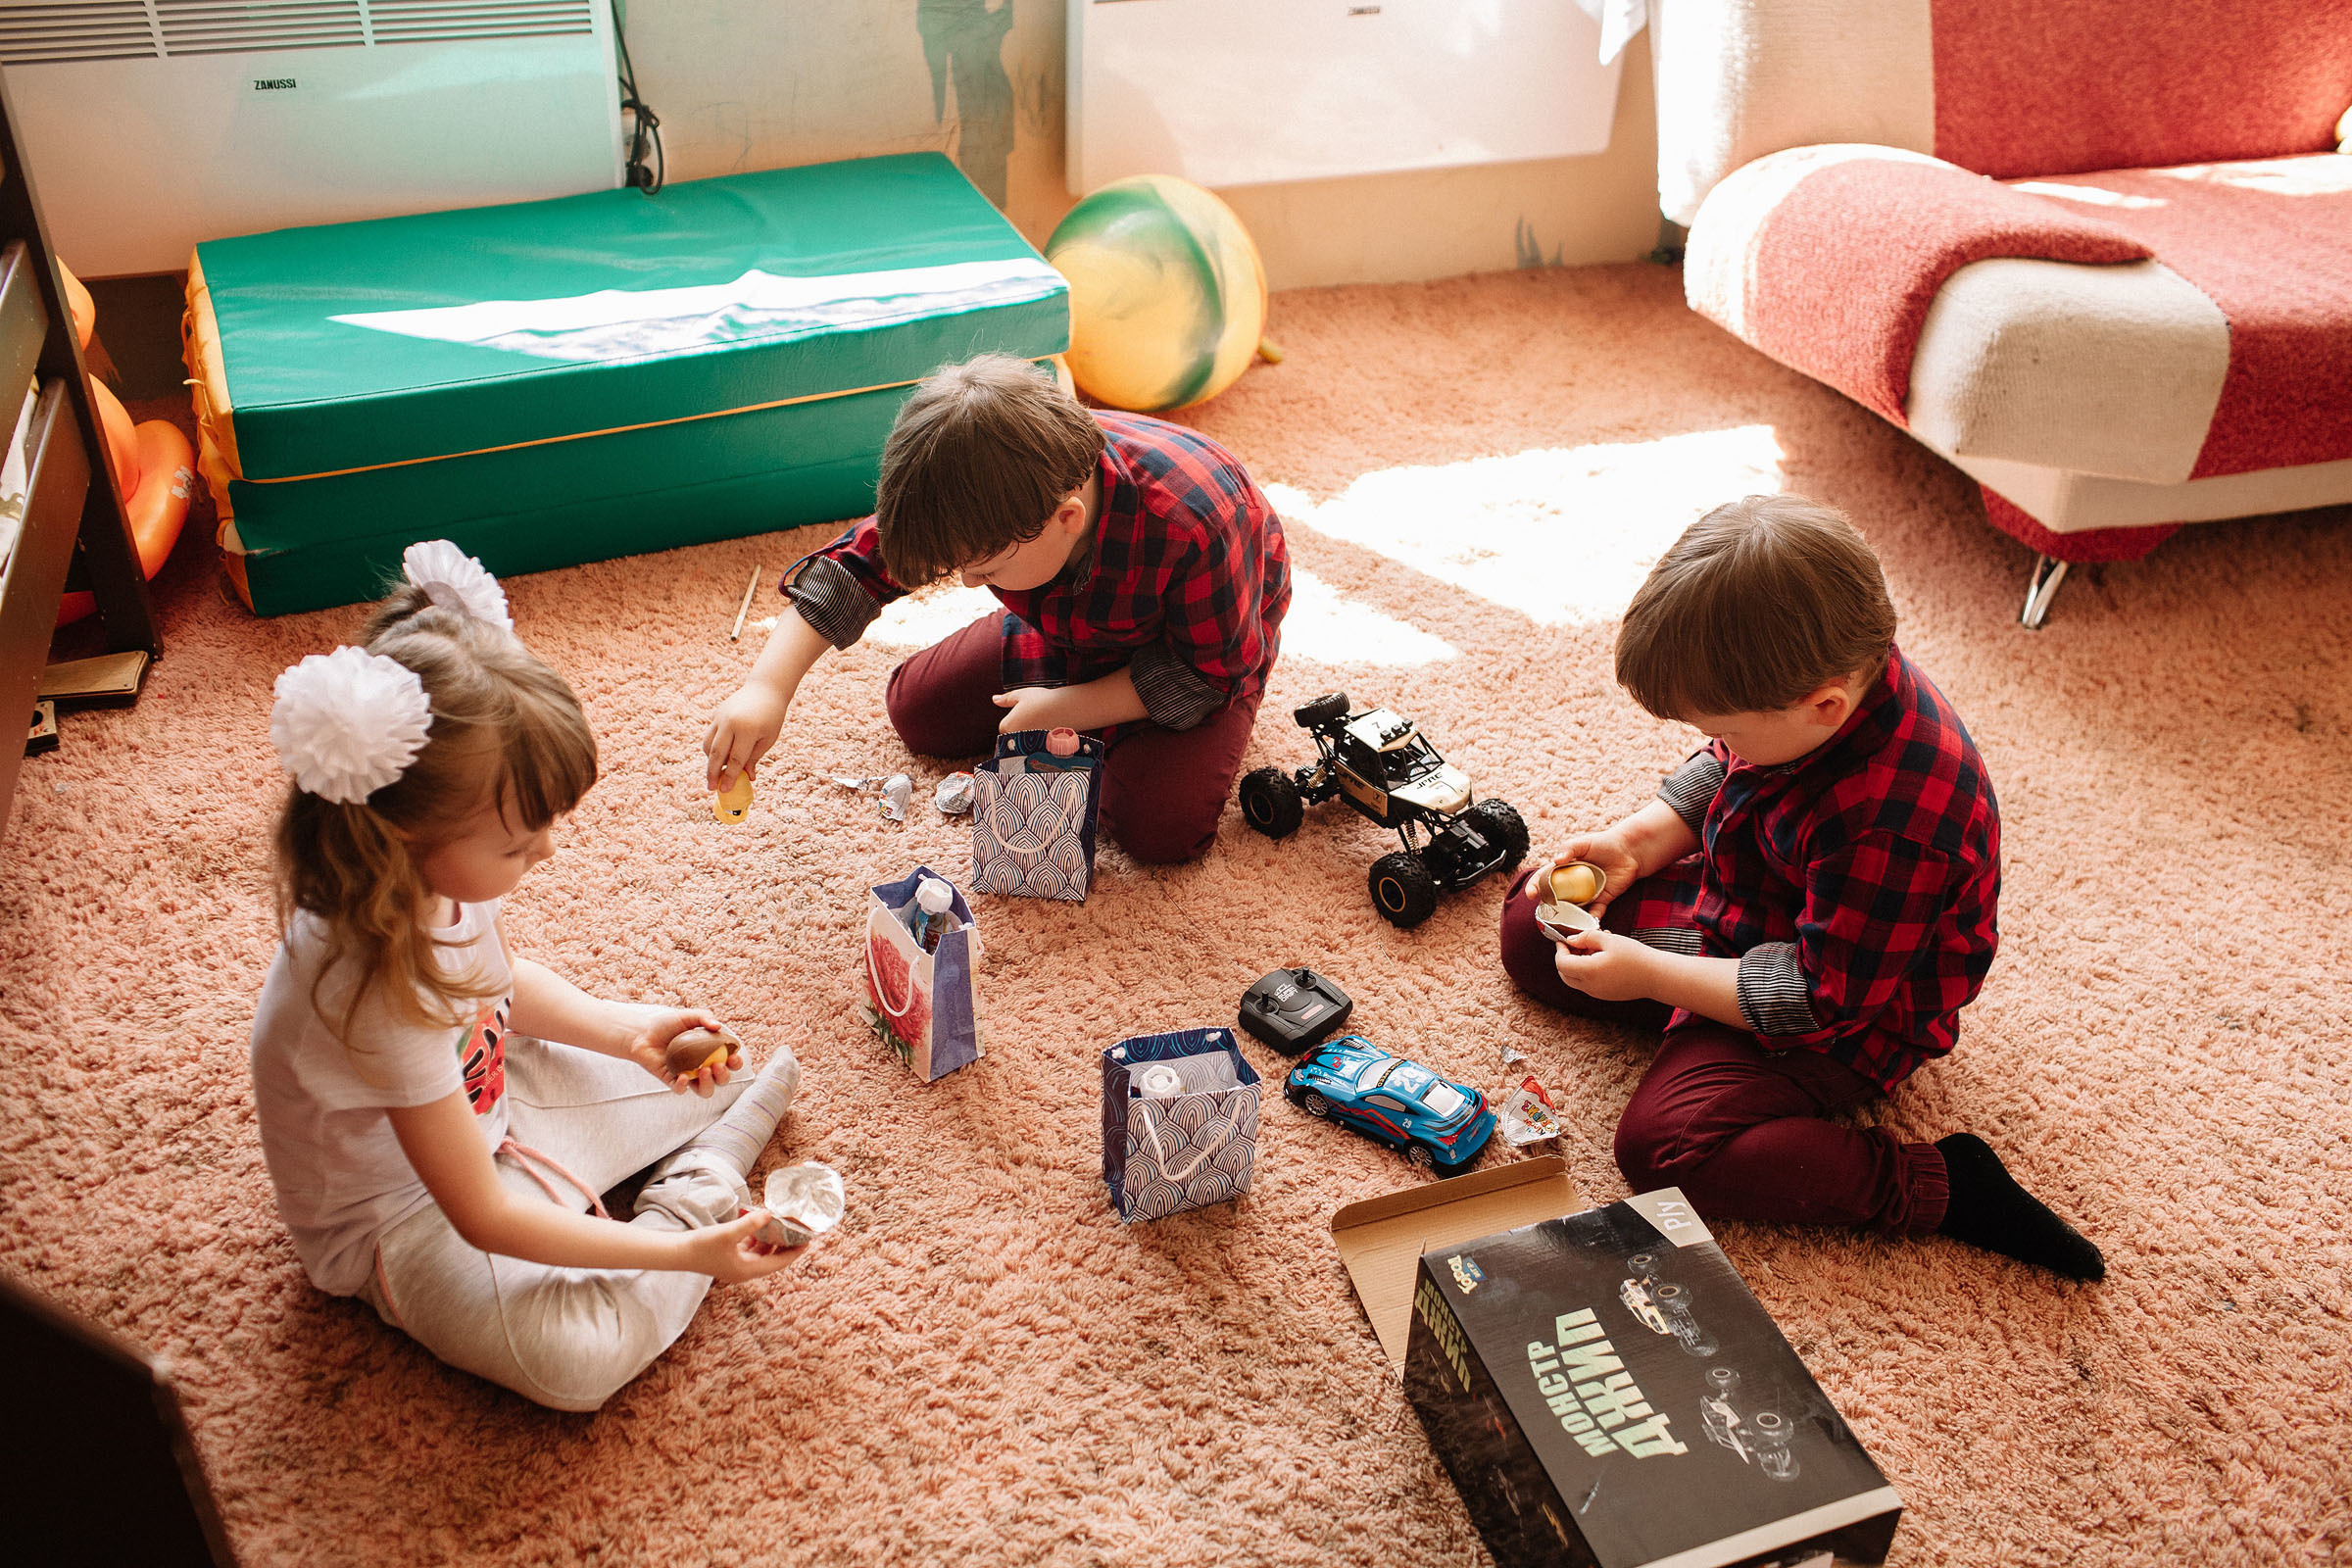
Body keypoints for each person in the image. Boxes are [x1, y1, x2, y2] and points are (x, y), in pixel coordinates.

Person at [251, 542, 809, 1411]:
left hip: (488, 1101)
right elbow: (484, 1216)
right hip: (411, 1217)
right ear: (401, 836)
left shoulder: (432, 879)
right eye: (517, 843)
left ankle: (699, 1159)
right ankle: (700, 1190)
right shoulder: (371, 988)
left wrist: (623, 1031)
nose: (544, 852)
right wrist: (682, 1253)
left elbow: (497, 981)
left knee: (717, 1072)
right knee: (576, 1363)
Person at [1499, 495, 2103, 1280]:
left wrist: (1648, 974)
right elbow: (1730, 764)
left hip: (1845, 1011)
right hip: (1759, 902)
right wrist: (1637, 843)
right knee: (1534, 924)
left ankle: (1946, 1186)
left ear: (1825, 706)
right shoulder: (1814, 690)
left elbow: (1822, 1000)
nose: (1718, 743)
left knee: (1664, 1149)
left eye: (1727, 727)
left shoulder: (1896, 823)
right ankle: (1683, 996)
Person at [704, 354, 1291, 864]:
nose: (966, 582)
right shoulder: (977, 484)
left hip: (1195, 654)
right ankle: (1072, 681)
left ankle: (1122, 720)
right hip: (1069, 624)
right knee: (916, 710)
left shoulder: (1198, 521)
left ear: (1066, 520)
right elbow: (852, 571)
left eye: (984, 570)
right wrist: (766, 688)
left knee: (1158, 830)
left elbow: (1209, 672)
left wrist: (1070, 707)